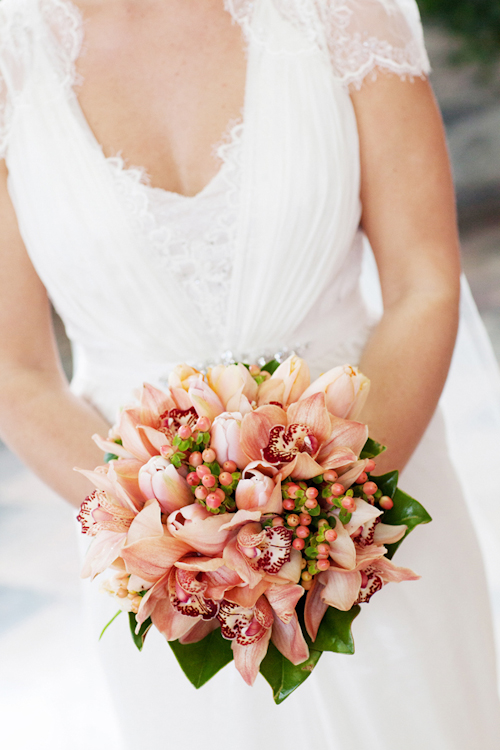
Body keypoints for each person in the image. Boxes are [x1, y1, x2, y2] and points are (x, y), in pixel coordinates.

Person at [0, 0, 499, 748]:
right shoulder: (13, 60)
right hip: (170, 586)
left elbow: (424, 281)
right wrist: (182, 542)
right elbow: (17, 371)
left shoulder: (339, 12)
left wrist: (326, 516)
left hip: (373, 510)